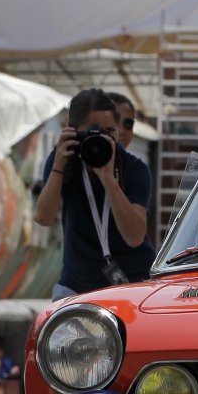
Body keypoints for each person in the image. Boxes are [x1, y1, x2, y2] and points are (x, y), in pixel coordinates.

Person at [35, 89, 155, 296]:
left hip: (133, 282)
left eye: (109, 131)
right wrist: (58, 168)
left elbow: (135, 237)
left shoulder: (133, 168)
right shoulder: (64, 160)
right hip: (77, 284)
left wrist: (108, 179)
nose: (102, 139)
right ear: (73, 131)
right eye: (93, 131)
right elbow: (43, 218)